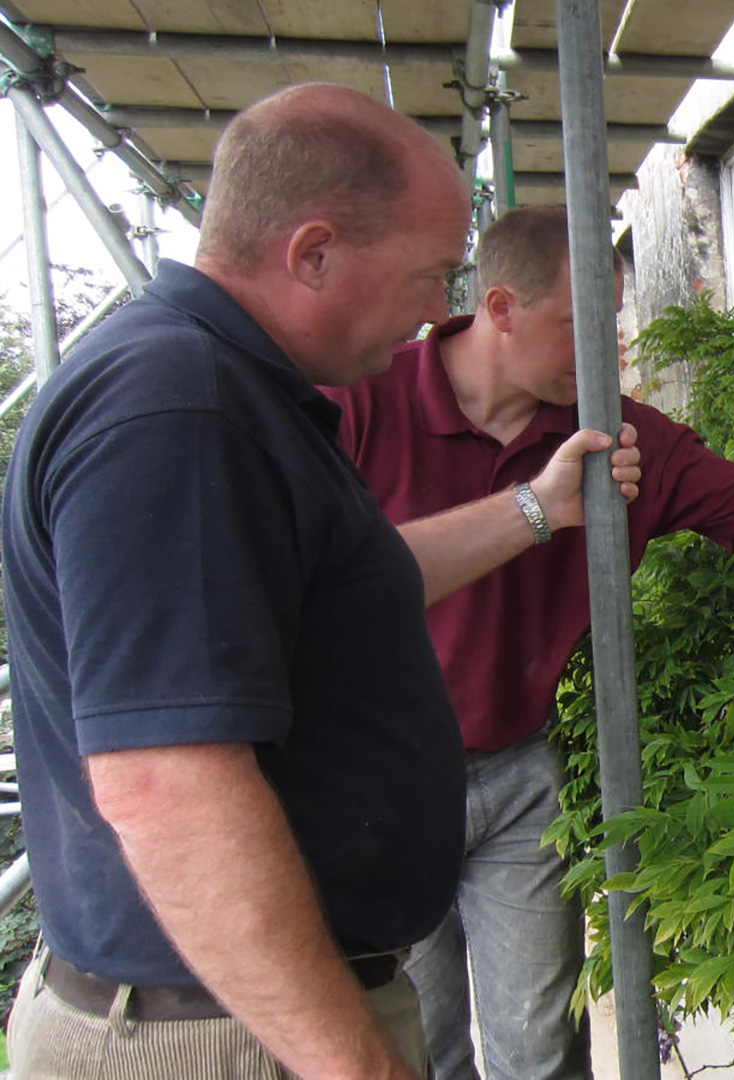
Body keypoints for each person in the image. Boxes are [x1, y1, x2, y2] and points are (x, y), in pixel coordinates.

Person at [0, 86, 640, 1080]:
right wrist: (354, 1064)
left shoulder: (231, 392)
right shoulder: (182, 411)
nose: (442, 310)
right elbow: (167, 782)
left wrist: (531, 509)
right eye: (430, 275)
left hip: (242, 1018)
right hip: (224, 1035)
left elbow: (350, 588)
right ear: (314, 253)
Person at [325, 204, 734, 1080]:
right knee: (413, 1047)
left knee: (539, 1048)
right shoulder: (357, 403)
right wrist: (537, 506)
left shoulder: (614, 435)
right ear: (499, 309)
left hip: (514, 776)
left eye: (612, 321)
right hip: (373, 786)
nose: (605, 350)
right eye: (581, 326)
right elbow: (314, 590)